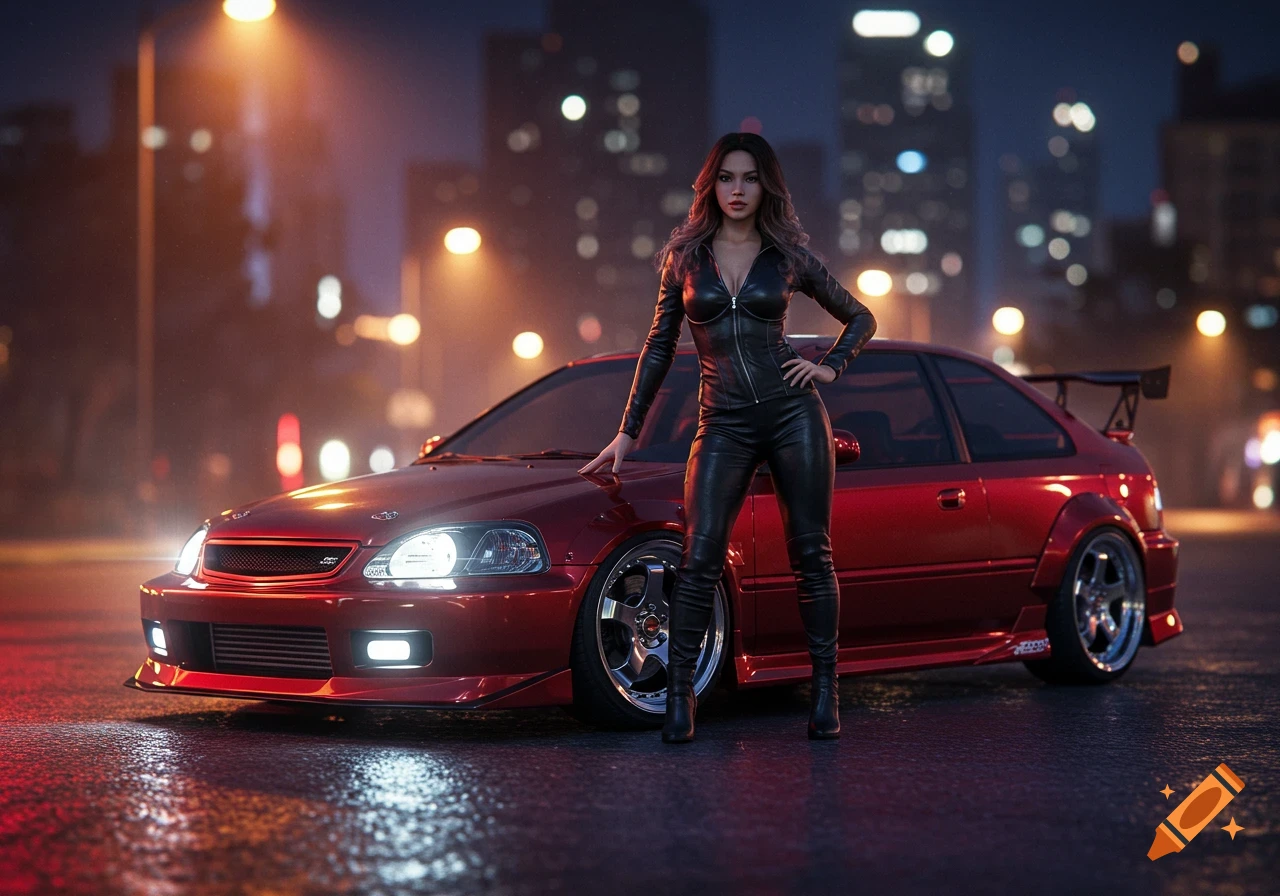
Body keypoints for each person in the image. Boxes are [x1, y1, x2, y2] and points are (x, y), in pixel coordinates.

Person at [578, 132, 877, 743]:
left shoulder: (787, 256)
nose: (737, 190)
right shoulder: (684, 259)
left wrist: (829, 366)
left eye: (749, 178)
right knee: (699, 558)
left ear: (766, 187)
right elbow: (659, 346)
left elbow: (861, 317)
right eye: (726, 178)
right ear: (710, 186)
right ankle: (680, 698)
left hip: (793, 415)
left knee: (811, 555)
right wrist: (628, 431)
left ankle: (826, 692)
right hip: (723, 421)